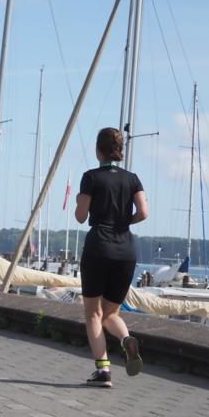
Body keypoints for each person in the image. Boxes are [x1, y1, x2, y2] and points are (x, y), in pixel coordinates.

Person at [74, 127, 148, 388]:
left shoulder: (90, 177)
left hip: (98, 248)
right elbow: (144, 212)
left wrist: (78, 201)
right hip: (126, 250)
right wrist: (123, 220)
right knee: (111, 313)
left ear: (98, 150)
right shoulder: (133, 179)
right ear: (119, 151)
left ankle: (103, 371)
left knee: (93, 313)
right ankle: (126, 338)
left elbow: (81, 216)